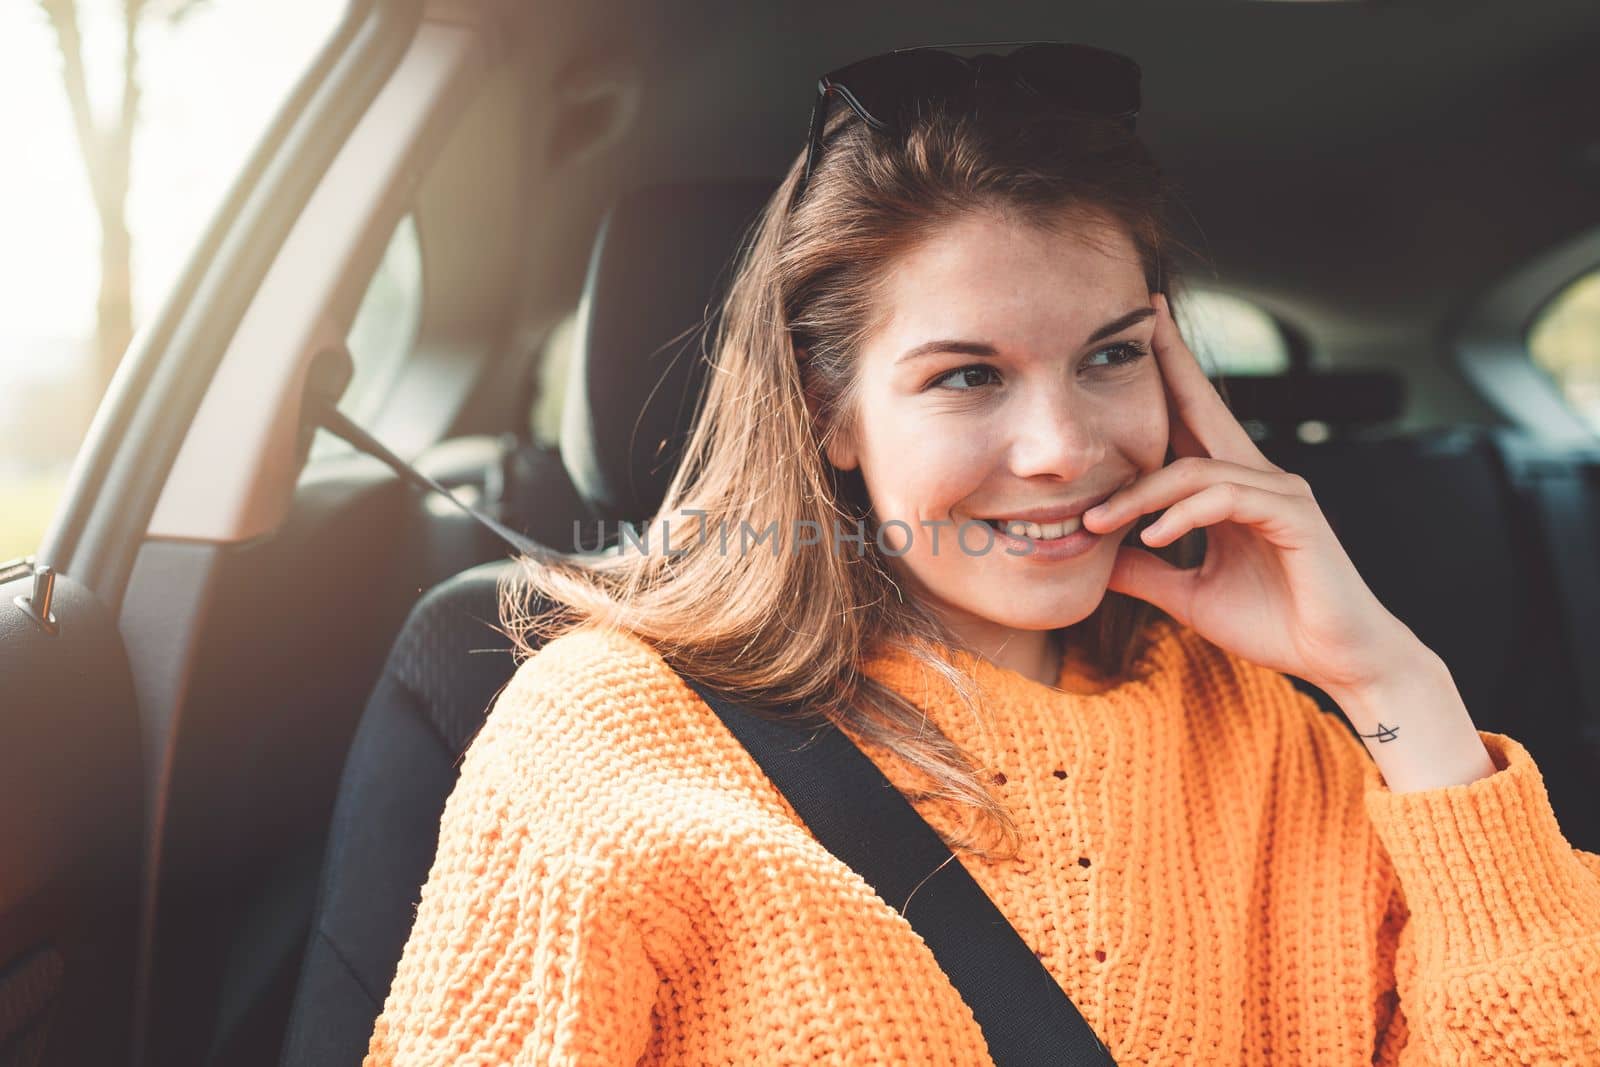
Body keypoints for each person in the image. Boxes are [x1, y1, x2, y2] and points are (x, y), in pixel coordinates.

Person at [363, 43, 1600, 1065]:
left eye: (1110, 355)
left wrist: (1393, 683)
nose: (1062, 448)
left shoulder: (1276, 737)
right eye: (966, 375)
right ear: (830, 411)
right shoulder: (603, 738)